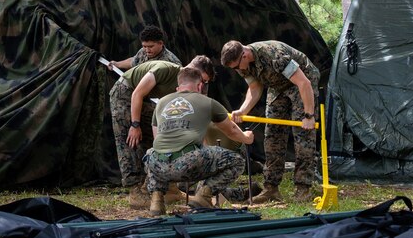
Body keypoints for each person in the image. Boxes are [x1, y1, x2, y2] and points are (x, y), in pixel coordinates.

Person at [144, 66, 255, 215]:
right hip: (187, 162)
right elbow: (232, 131)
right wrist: (246, 138)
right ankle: (204, 195)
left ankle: (157, 200)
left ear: (178, 87)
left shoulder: (161, 103)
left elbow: (157, 138)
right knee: (237, 161)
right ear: (200, 85)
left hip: (157, 165)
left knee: (152, 152)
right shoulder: (207, 102)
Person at [222, 40, 320, 203]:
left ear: (244, 55)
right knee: (272, 136)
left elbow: (304, 83)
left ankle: (303, 188)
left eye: (236, 67)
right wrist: (242, 110)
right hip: (277, 87)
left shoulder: (274, 55)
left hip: (302, 84)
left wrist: (309, 116)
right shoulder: (242, 63)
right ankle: (271, 189)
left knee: (303, 135)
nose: (237, 70)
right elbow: (254, 88)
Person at [110, 55, 213, 209]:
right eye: (202, 81)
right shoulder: (166, 70)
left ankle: (169, 189)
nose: (202, 87)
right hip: (125, 94)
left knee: (157, 140)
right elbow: (137, 94)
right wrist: (135, 124)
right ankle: (135, 193)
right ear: (193, 71)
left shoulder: (187, 87)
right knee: (130, 140)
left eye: (205, 83)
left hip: (145, 100)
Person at [108, 25, 181, 71]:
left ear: (160, 43)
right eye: (144, 46)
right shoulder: (142, 51)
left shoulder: (172, 63)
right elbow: (133, 62)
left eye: (150, 46)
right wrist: (116, 64)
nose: (147, 50)